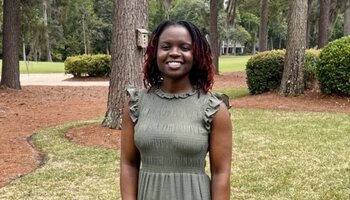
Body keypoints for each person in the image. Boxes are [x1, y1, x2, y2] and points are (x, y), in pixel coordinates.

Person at [120, 20, 232, 200]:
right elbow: (129, 164)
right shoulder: (136, 104)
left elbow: (221, 174)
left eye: (184, 47)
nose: (174, 53)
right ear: (155, 52)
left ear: (196, 54)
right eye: (165, 46)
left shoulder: (214, 109)